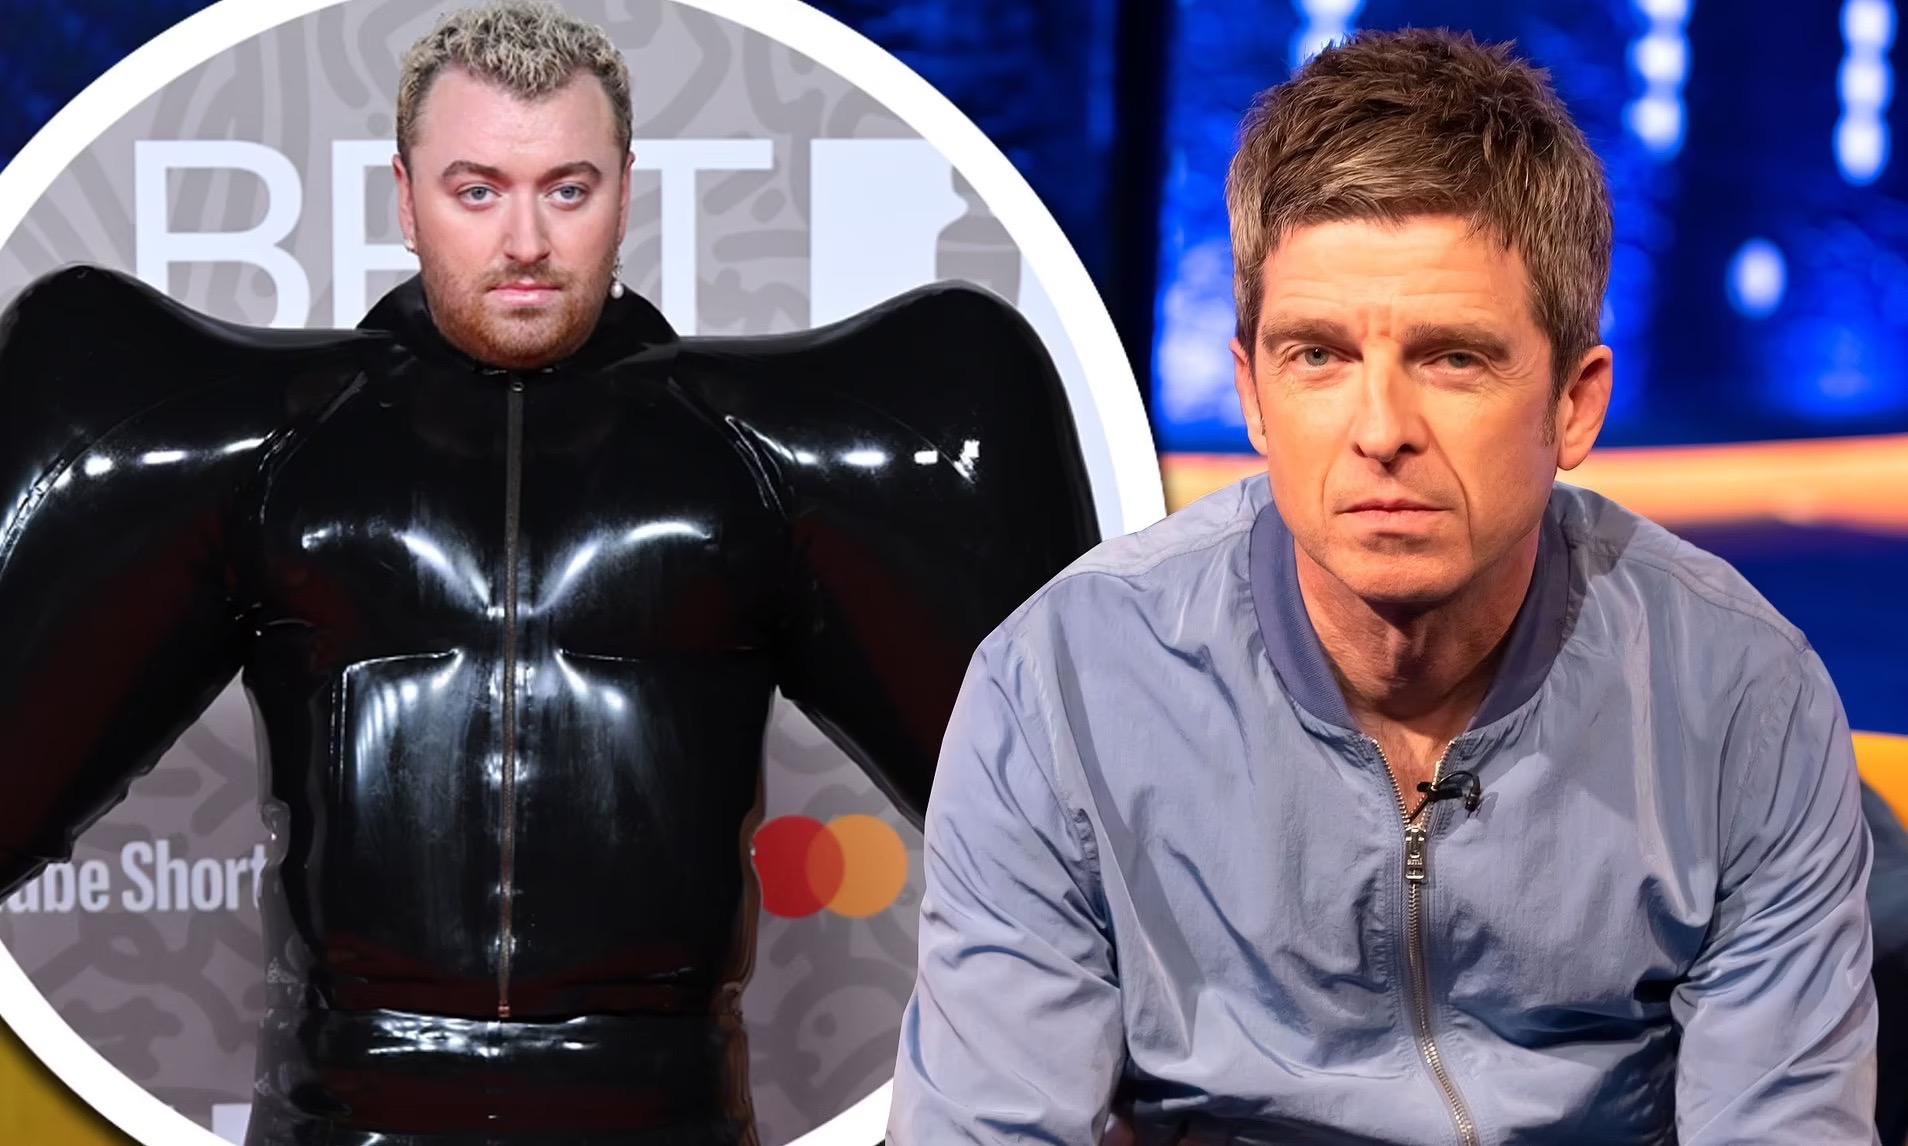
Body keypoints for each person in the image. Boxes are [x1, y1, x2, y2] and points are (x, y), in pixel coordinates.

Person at [0, 2, 1098, 1143]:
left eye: (566, 191)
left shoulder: (756, 460)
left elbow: (1074, 857)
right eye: (476, 191)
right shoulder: (273, 457)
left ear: (625, 192)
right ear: (405, 199)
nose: (524, 241)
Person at [892, 28, 1877, 1145]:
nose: (1380, 431)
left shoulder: (1739, 694)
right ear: (1253, 395)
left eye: (1453, 358)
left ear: (1575, 404)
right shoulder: (1060, 687)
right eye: (1317, 356)